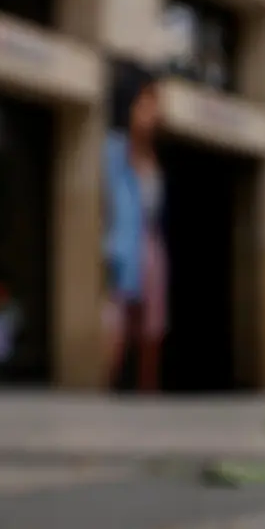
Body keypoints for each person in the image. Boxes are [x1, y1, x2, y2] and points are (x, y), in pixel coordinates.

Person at [101, 61, 168, 393]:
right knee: (115, 328)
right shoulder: (112, 151)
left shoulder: (153, 157)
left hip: (150, 248)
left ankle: (146, 397)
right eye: (148, 102)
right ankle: (109, 391)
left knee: (151, 332)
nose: (155, 111)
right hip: (119, 248)